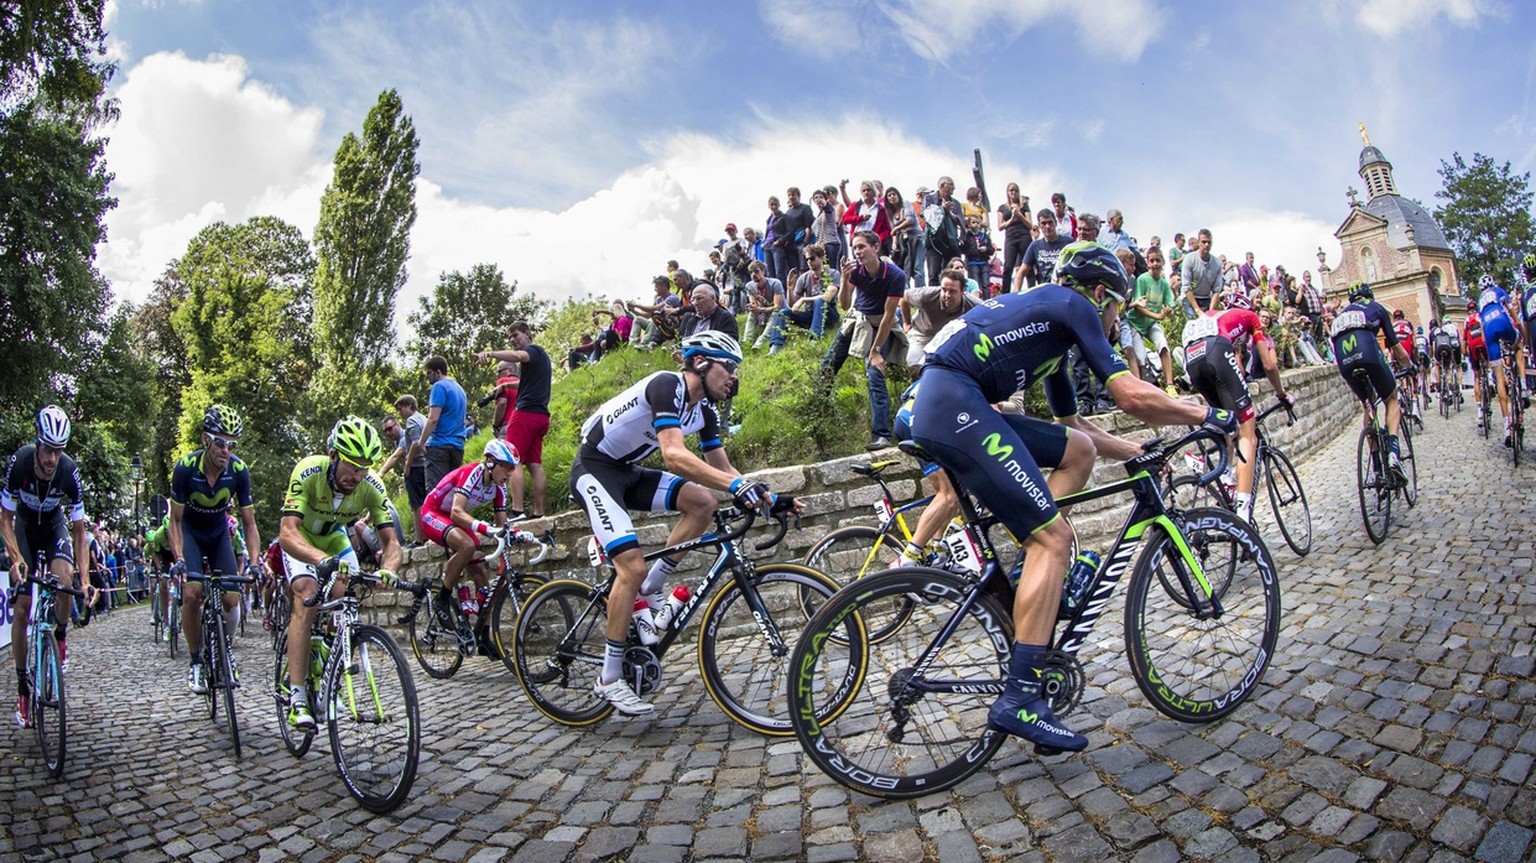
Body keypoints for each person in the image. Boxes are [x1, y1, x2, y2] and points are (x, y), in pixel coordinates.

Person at [908, 242, 1237, 752]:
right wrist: (1204, 415)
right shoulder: (1074, 304)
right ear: (1102, 292)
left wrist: (1133, 448)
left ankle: (1028, 570)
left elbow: (1075, 427)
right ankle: (1020, 696)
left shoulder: (1051, 339)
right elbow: (1129, 394)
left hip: (949, 398)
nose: (1111, 321)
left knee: (1077, 451)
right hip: (951, 400)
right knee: (1055, 541)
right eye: (1116, 310)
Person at [569, 333, 800, 715]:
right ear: (700, 363)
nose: (733, 378)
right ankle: (609, 678)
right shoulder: (666, 385)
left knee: (703, 503)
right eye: (729, 368)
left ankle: (652, 586)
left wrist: (770, 500)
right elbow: (674, 455)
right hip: (594, 469)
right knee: (631, 565)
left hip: (626, 471)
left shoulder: (704, 411)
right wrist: (737, 486)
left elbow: (722, 469)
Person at [278, 417, 402, 731]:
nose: (358, 476)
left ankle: (326, 654)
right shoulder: (308, 471)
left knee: (352, 589)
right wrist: (320, 559)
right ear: (333, 456)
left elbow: (391, 542)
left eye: (365, 467)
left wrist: (389, 569)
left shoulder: (371, 485)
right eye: (352, 466)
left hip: (334, 537)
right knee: (307, 594)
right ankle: (297, 697)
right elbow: (287, 533)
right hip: (303, 539)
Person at [2, 406, 90, 725]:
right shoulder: (20, 462)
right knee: (24, 604)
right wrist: (17, 559)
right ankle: (23, 689)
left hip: (53, 524)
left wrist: (83, 578)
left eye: (58, 450)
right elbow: (5, 519)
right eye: (48, 449)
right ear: (37, 444)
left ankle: (62, 635)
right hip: (24, 527)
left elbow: (80, 532)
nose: (52, 458)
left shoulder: (68, 471)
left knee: (64, 580)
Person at [167, 405, 261, 692]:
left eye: (232, 444)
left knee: (232, 598)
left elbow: (249, 523)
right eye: (220, 442)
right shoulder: (185, 468)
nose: (226, 450)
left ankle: (225, 651)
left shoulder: (238, 471)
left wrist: (255, 563)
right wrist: (180, 557)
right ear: (205, 439)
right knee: (192, 592)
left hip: (219, 533)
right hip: (191, 533)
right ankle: (196, 661)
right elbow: (175, 520)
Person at [1181, 294, 1293, 523]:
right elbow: (1269, 364)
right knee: (1247, 434)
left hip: (1191, 357)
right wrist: (1281, 394)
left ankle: (1224, 476)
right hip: (1215, 350)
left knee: (1228, 419)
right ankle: (1242, 513)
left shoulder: (1216, 315)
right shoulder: (1251, 317)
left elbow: (1237, 372)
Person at [820, 230, 905, 450]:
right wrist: (846, 279)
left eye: (861, 247)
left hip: (881, 324)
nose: (857, 252)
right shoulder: (855, 271)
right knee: (828, 364)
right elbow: (845, 305)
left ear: (876, 247)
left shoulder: (896, 275)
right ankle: (818, 413)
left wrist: (875, 350)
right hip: (857, 319)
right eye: (855, 247)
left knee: (875, 372)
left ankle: (882, 435)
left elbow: (888, 316)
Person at [1331, 282, 1413, 483]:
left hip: (1344, 359)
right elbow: (1395, 347)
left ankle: (1376, 465)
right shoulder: (1376, 307)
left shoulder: (1341, 314)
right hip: (1367, 349)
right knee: (1391, 399)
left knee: (1368, 405)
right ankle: (1393, 453)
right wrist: (1410, 365)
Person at [478, 321, 553, 519]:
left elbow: (518, 356)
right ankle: (539, 512)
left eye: (516, 335)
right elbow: (523, 384)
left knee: (513, 461)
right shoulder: (542, 357)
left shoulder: (531, 351)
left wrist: (491, 353)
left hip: (525, 414)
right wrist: (505, 387)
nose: (513, 340)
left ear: (528, 333)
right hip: (541, 416)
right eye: (510, 337)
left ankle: (517, 510)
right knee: (534, 464)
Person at [1474, 274, 1528, 447]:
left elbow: (1482, 329)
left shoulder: (1480, 301)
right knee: (1518, 349)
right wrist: (1521, 331)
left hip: (1489, 330)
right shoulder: (1499, 291)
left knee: (1498, 376)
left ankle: (1506, 424)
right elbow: (1513, 314)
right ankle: (1524, 386)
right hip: (1503, 322)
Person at [901, 268, 980, 371]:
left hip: (952, 340)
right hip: (923, 335)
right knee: (914, 367)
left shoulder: (974, 305)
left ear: (963, 291)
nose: (947, 295)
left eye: (952, 291)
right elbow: (904, 298)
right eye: (944, 290)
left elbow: (990, 315)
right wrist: (907, 323)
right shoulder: (927, 295)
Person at [412, 356, 467, 496]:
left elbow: (433, 418)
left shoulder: (439, 386)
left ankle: (435, 518)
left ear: (438, 372)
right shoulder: (459, 389)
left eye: (429, 373)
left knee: (436, 494)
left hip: (439, 445)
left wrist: (422, 442)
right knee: (451, 493)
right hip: (457, 446)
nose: (427, 377)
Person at [1129, 247, 1179, 393]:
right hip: (1136, 323)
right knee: (1140, 357)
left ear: (1162, 262)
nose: (1155, 264)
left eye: (1158, 260)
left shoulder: (1163, 283)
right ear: (1147, 263)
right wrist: (1158, 316)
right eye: (1152, 261)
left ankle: (1169, 383)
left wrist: (1167, 310)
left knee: (1163, 345)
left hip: (1151, 323)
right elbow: (1139, 307)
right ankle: (1143, 389)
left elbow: (1169, 303)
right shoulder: (1142, 280)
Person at [1019, 208, 1072, 291]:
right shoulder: (1035, 246)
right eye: (1043, 223)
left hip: (1065, 289)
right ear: (1039, 226)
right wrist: (1015, 293)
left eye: (1050, 222)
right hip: (1044, 290)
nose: (1047, 226)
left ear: (1056, 223)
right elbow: (1021, 272)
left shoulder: (1069, 242)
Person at [996, 183, 1033, 294]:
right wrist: (1011, 220)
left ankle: (1032, 290)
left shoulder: (1024, 206)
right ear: (1007, 192)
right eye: (1011, 190)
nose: (1013, 193)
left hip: (1024, 236)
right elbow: (1000, 226)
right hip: (1010, 238)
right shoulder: (1002, 208)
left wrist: (1019, 215)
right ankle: (1005, 294)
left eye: (1016, 190)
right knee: (1008, 267)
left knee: (1028, 265)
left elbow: (1030, 224)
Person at [1462, 299, 1490, 430]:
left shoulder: (1466, 320)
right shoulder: (1481, 316)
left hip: (1472, 344)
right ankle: (1490, 381)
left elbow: (1464, 340)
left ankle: (1479, 410)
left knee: (1477, 377)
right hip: (1483, 342)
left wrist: (1465, 352)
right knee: (1490, 364)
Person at [1180, 229, 1221, 316]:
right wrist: (1197, 310)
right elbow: (1187, 287)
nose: (1206, 245)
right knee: (1193, 321)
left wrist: (1210, 312)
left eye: (1209, 242)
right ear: (1198, 243)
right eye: (1204, 242)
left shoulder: (1217, 263)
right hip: (1189, 298)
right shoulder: (1189, 259)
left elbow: (1216, 290)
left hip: (1206, 298)